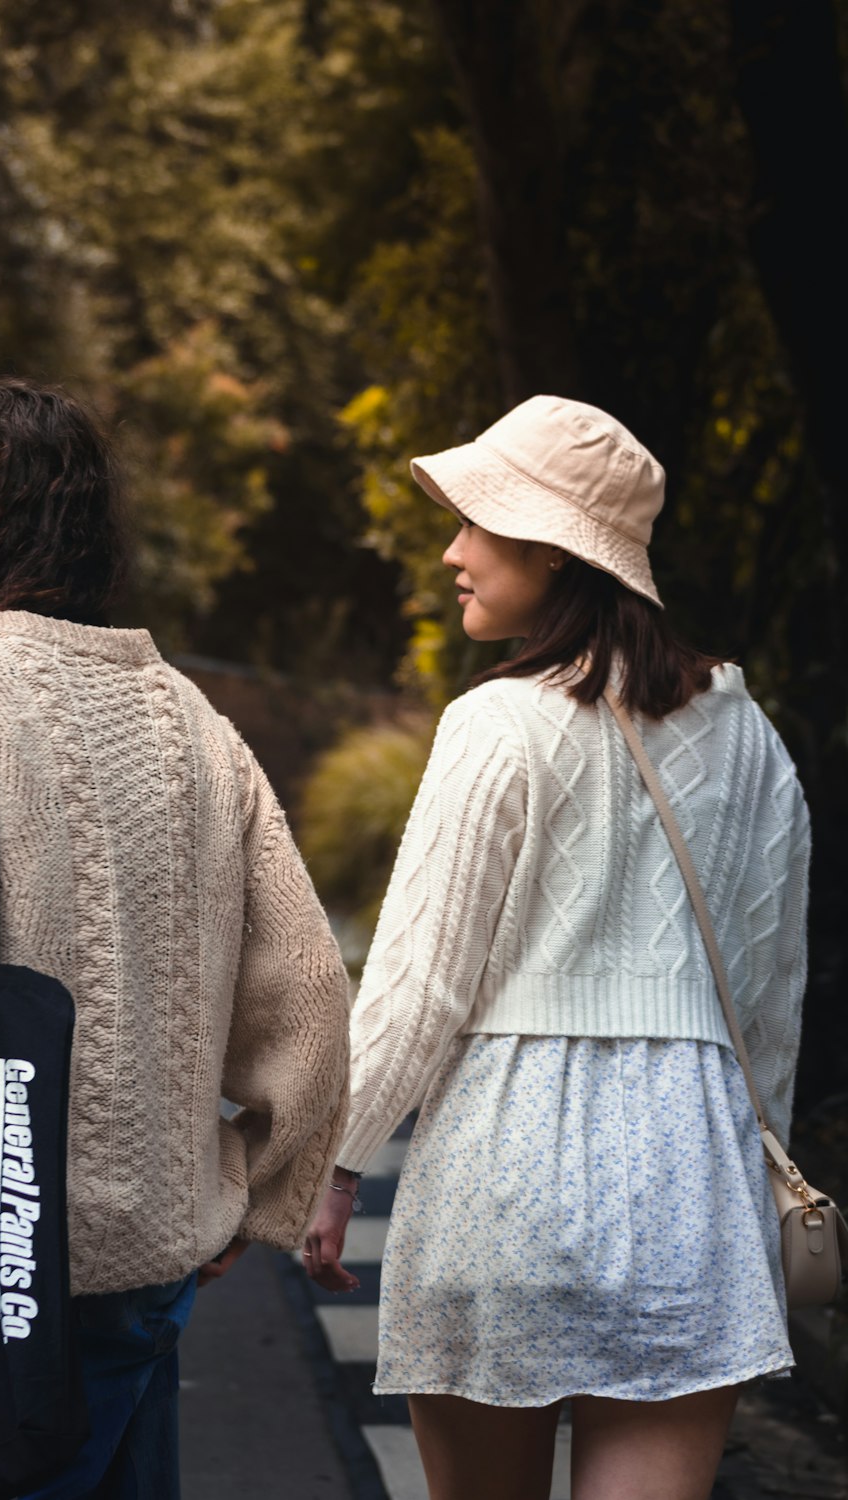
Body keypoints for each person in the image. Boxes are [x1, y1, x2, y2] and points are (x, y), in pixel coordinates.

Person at [0, 373, 350, 1497]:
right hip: (148, 1276)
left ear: (1, 505)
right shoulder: (188, 714)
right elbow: (311, 990)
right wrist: (255, 1195)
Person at [305, 396, 810, 1500]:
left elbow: (420, 981)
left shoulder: (498, 723)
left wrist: (334, 1163)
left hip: (506, 1169)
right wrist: (752, 1149)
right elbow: (769, 998)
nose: (452, 551)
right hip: (690, 1178)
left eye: (476, 522)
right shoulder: (751, 733)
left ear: (549, 547)